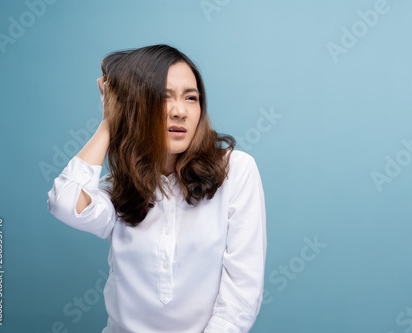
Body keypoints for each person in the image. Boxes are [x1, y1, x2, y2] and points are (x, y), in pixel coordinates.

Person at [46, 44, 267, 333]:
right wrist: (110, 121)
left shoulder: (235, 170)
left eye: (191, 98)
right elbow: (65, 203)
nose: (180, 111)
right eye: (163, 98)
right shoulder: (119, 188)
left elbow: (242, 291)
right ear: (137, 106)